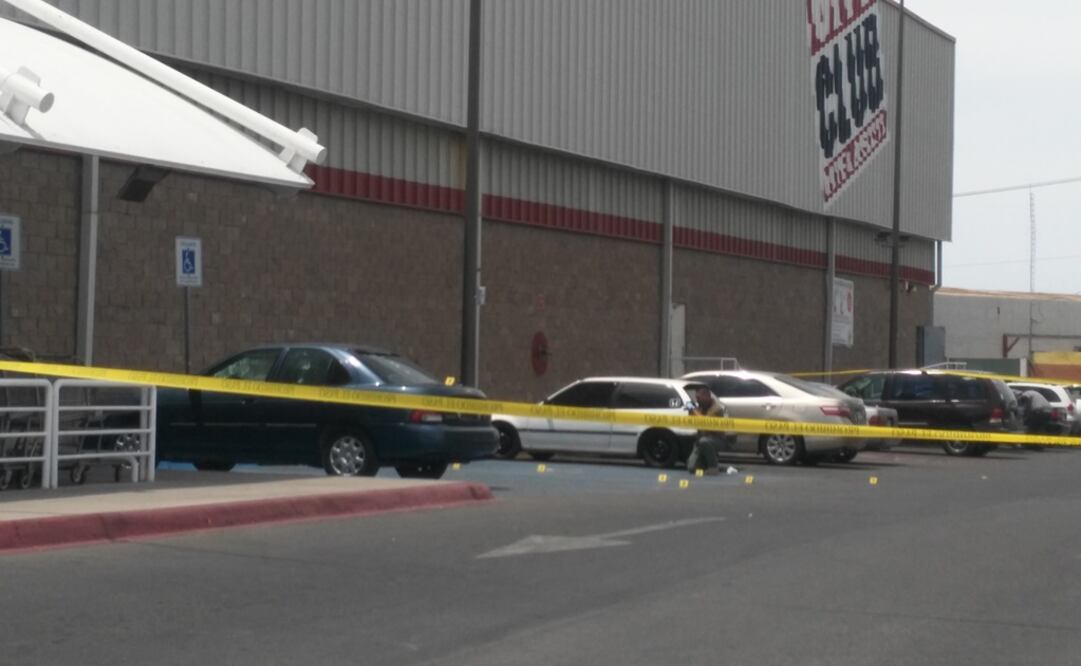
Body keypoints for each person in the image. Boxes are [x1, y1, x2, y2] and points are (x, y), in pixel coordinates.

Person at [686, 386, 727, 475]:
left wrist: (693, 409)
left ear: (707, 396)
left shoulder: (717, 409)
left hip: (717, 439)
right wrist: (690, 411)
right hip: (702, 439)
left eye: (699, 398)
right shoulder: (700, 406)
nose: (698, 400)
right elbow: (693, 420)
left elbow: (704, 421)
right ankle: (706, 460)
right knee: (691, 467)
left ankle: (713, 467)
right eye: (697, 398)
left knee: (705, 441)